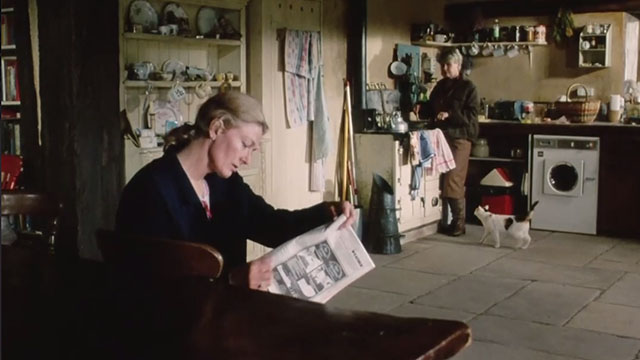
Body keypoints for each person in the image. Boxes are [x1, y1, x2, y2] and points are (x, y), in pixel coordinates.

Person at [116, 91, 355, 290]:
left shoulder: (225, 185)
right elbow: (150, 285)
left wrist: (327, 213)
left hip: (225, 316)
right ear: (217, 128)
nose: (247, 160)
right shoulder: (151, 191)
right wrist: (232, 279)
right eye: (245, 145)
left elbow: (271, 224)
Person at [427, 48, 479, 236]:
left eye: (448, 65)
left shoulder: (468, 88)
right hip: (441, 137)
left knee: (453, 179)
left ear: (458, 65)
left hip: (460, 138)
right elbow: (430, 106)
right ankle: (446, 220)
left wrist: (450, 114)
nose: (444, 68)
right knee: (441, 179)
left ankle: (459, 223)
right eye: (442, 65)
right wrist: (420, 106)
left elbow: (472, 117)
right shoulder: (440, 86)